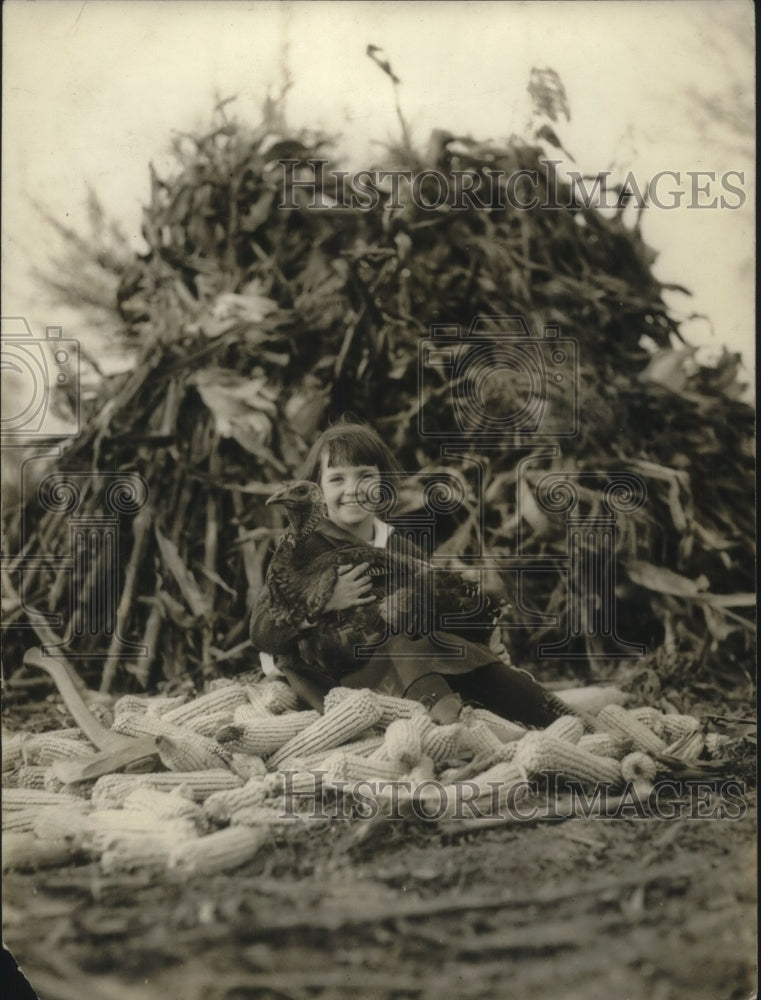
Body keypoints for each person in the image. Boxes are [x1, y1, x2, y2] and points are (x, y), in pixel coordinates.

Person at [249, 418, 571, 727]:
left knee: (439, 642)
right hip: (333, 677)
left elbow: (443, 598)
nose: (353, 489)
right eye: (337, 479)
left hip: (404, 664)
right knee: (407, 639)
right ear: (316, 489)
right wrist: (323, 602)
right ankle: (457, 725)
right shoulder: (300, 551)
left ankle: (546, 710)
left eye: (365, 476)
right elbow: (262, 628)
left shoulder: (397, 547)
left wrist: (487, 636)